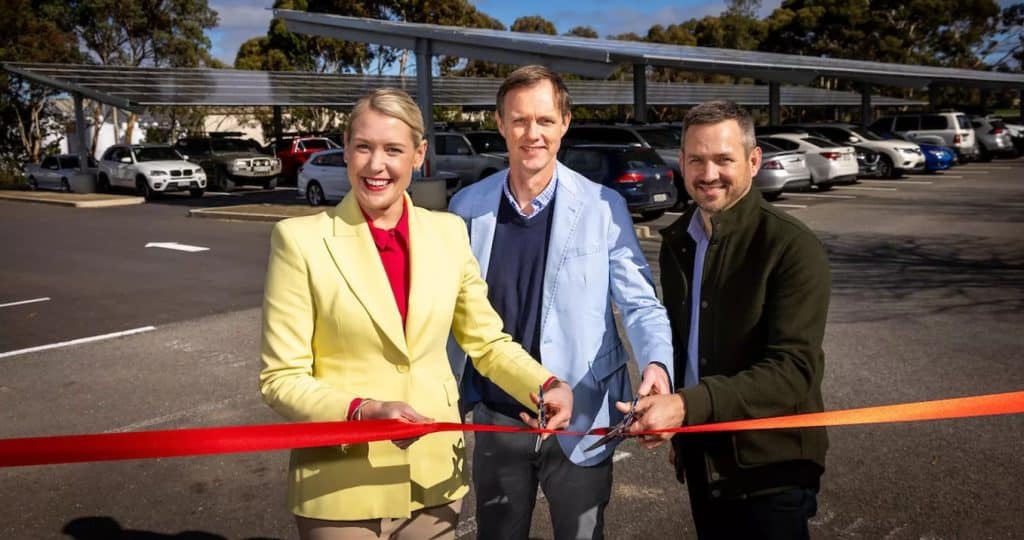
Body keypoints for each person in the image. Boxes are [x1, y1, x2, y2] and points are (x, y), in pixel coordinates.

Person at [259, 88, 573, 540]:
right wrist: (362, 411)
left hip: (434, 478)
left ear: (419, 154)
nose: (375, 165)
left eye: (393, 150)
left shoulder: (447, 233)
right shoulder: (299, 241)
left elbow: (487, 343)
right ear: (345, 149)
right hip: (342, 482)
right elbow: (281, 378)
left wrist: (545, 386)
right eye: (363, 147)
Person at [447, 65, 674, 540]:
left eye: (545, 120)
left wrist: (657, 363)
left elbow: (639, 304)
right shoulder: (467, 207)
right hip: (498, 418)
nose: (533, 134)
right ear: (500, 123)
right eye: (520, 120)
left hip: (586, 415)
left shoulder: (602, 205)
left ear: (565, 122)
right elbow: (446, 313)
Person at [621, 100, 830, 540]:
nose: (708, 172)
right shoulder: (681, 242)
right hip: (704, 464)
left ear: (754, 161)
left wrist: (684, 407)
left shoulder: (791, 247)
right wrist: (677, 421)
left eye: (723, 159)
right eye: (696, 159)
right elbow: (687, 346)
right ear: (680, 163)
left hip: (770, 473)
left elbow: (794, 371)